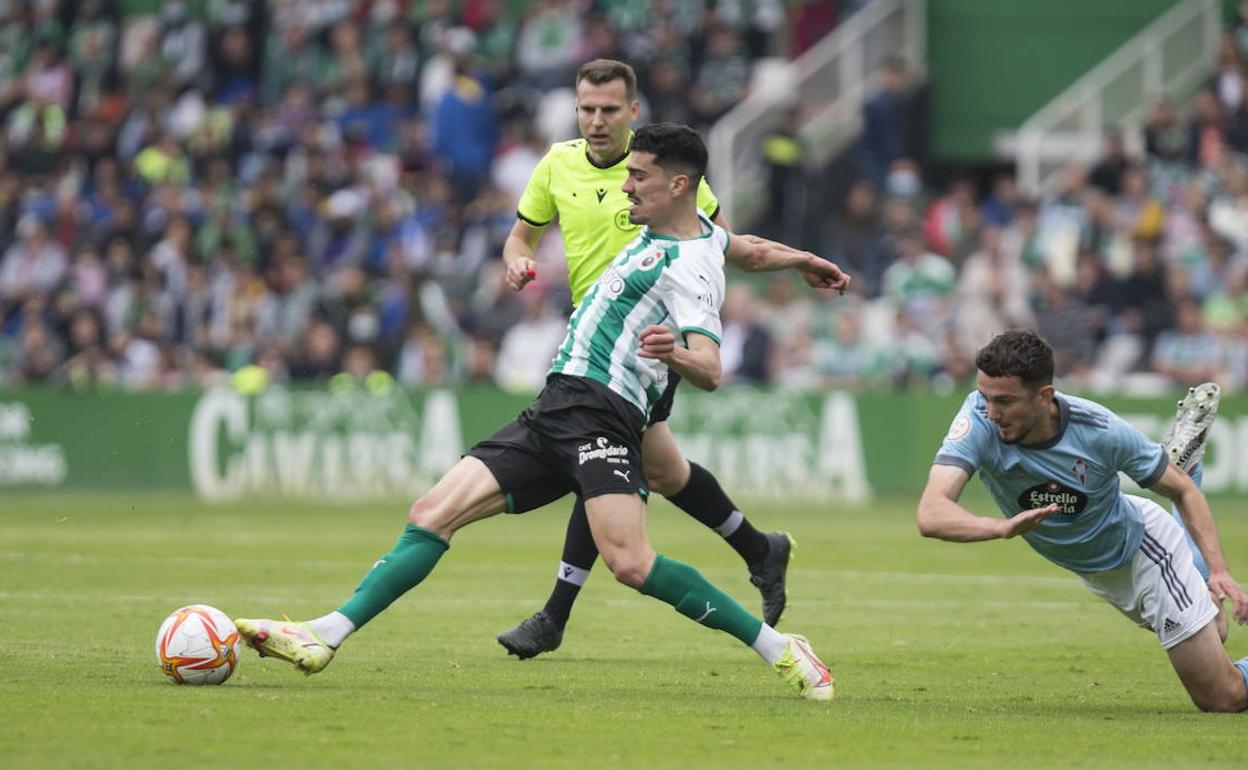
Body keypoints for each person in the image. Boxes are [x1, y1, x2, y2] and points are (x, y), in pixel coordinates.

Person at [234, 123, 842, 701]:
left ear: (678, 185)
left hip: (603, 416)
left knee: (631, 563)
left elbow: (711, 370)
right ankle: (323, 636)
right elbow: (749, 249)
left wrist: (673, 352)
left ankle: (781, 648)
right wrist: (803, 258)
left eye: (641, 177)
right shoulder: (701, 234)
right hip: (556, 406)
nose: (626, 186)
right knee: (431, 513)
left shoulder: (690, 269)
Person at [496, 58, 848, 658]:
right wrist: (515, 259)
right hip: (592, 335)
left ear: (633, 112)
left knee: (599, 457)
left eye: (609, 109)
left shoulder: (665, 172)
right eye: (587, 108)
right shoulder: (557, 164)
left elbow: (718, 247)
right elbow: (521, 234)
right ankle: (761, 549)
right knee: (661, 470)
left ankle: (554, 614)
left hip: (645, 347)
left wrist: (796, 259)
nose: (597, 120)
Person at [918, 331, 1248, 712]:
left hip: (1143, 552)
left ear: (1045, 396)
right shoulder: (978, 418)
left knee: (1223, 696)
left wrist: (1221, 569)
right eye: (986, 397)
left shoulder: (1100, 430)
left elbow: (1184, 493)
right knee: (1215, 630)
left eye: (1005, 401)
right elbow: (931, 512)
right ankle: (1190, 511)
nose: (992, 413)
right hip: (1098, 570)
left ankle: (1185, 470)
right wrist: (1001, 528)